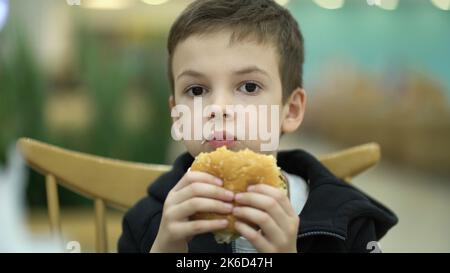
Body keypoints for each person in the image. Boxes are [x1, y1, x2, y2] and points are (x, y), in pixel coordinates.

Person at [118, 0, 397, 253]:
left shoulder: (348, 224)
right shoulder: (146, 222)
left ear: (291, 110)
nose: (219, 108)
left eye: (249, 86)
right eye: (196, 90)